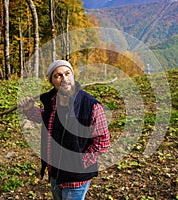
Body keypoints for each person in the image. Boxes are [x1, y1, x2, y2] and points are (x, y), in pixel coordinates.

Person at [19, 60, 110, 200]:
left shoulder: (91, 106)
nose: (64, 79)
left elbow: (103, 141)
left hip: (76, 178)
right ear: (52, 81)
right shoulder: (52, 102)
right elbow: (46, 118)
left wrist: (80, 162)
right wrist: (29, 109)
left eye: (67, 74)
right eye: (58, 75)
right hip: (55, 173)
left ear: (73, 76)